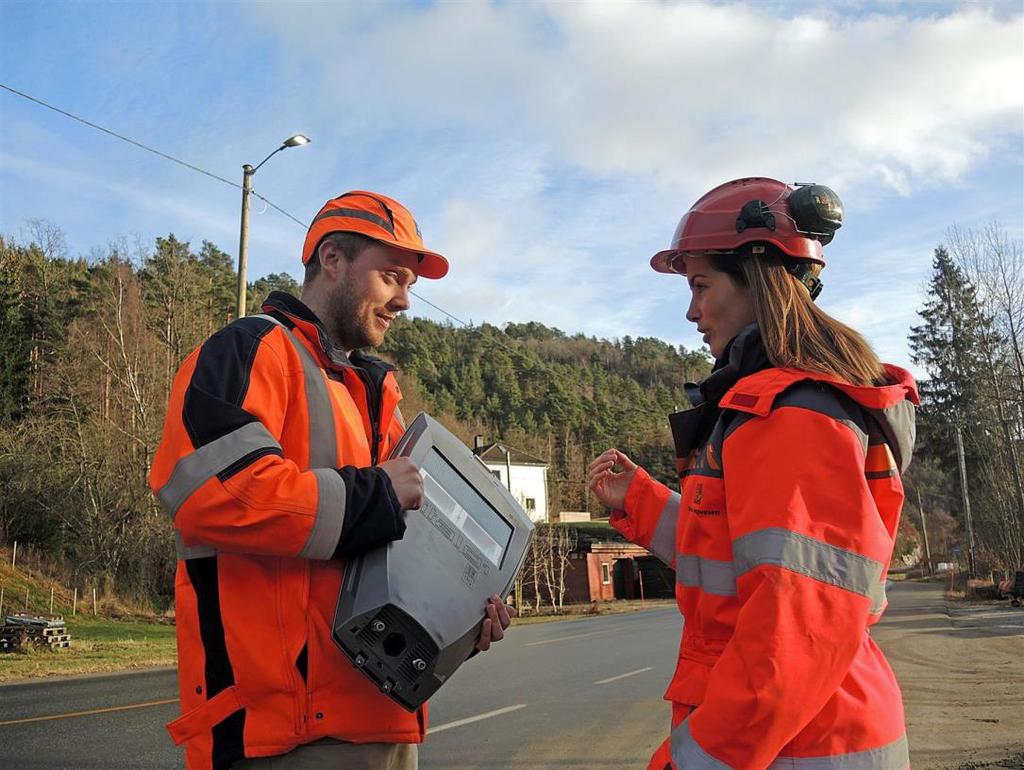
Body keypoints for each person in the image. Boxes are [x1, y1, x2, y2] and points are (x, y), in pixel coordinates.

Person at [149, 190, 512, 770]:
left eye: (411, 285)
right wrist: (373, 496)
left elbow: (381, 562)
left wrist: (457, 623)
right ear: (333, 259)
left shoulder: (378, 404)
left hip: (384, 723)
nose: (404, 301)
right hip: (283, 739)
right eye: (392, 277)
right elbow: (212, 494)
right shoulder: (249, 350)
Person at [588, 178, 917, 770]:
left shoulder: (793, 414)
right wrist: (641, 501)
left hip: (798, 744)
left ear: (757, 279)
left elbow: (795, 633)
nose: (690, 311)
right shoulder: (780, 409)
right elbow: (737, 559)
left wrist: (696, 761)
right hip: (801, 736)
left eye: (701, 285)